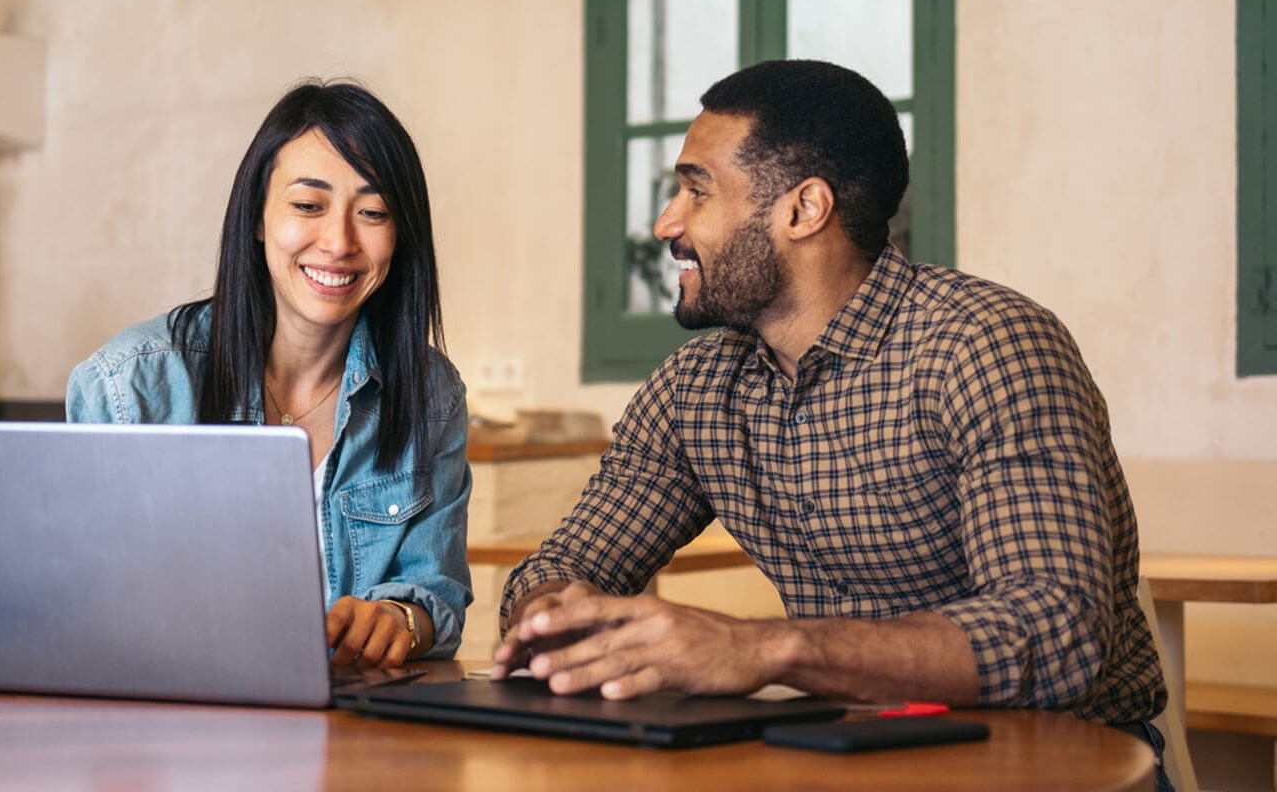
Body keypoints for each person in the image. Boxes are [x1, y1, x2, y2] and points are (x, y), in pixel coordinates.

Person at [494, 60, 1171, 784]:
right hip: (838, 760)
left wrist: (764, 649)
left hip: (1055, 765)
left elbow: (1053, 631)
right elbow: (563, 567)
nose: (668, 224)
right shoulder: (694, 388)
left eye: (697, 190)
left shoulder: (985, 345)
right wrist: (557, 620)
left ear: (803, 209)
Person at [68, 80, 472, 667]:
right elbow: (80, 608)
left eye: (374, 212)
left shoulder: (431, 394)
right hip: (166, 732)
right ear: (257, 216)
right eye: (308, 206)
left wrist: (400, 619)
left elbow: (436, 593)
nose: (338, 241)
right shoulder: (128, 386)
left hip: (355, 734)